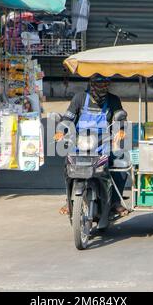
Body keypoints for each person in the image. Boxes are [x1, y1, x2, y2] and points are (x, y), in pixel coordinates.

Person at [54, 75, 129, 228]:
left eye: (104, 84)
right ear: (91, 84)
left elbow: (120, 116)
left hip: (103, 144)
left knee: (121, 165)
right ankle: (69, 201)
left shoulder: (113, 100)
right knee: (67, 167)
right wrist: (61, 130)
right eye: (98, 84)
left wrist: (120, 129)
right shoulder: (80, 98)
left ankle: (114, 201)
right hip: (80, 144)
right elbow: (68, 117)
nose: (101, 88)